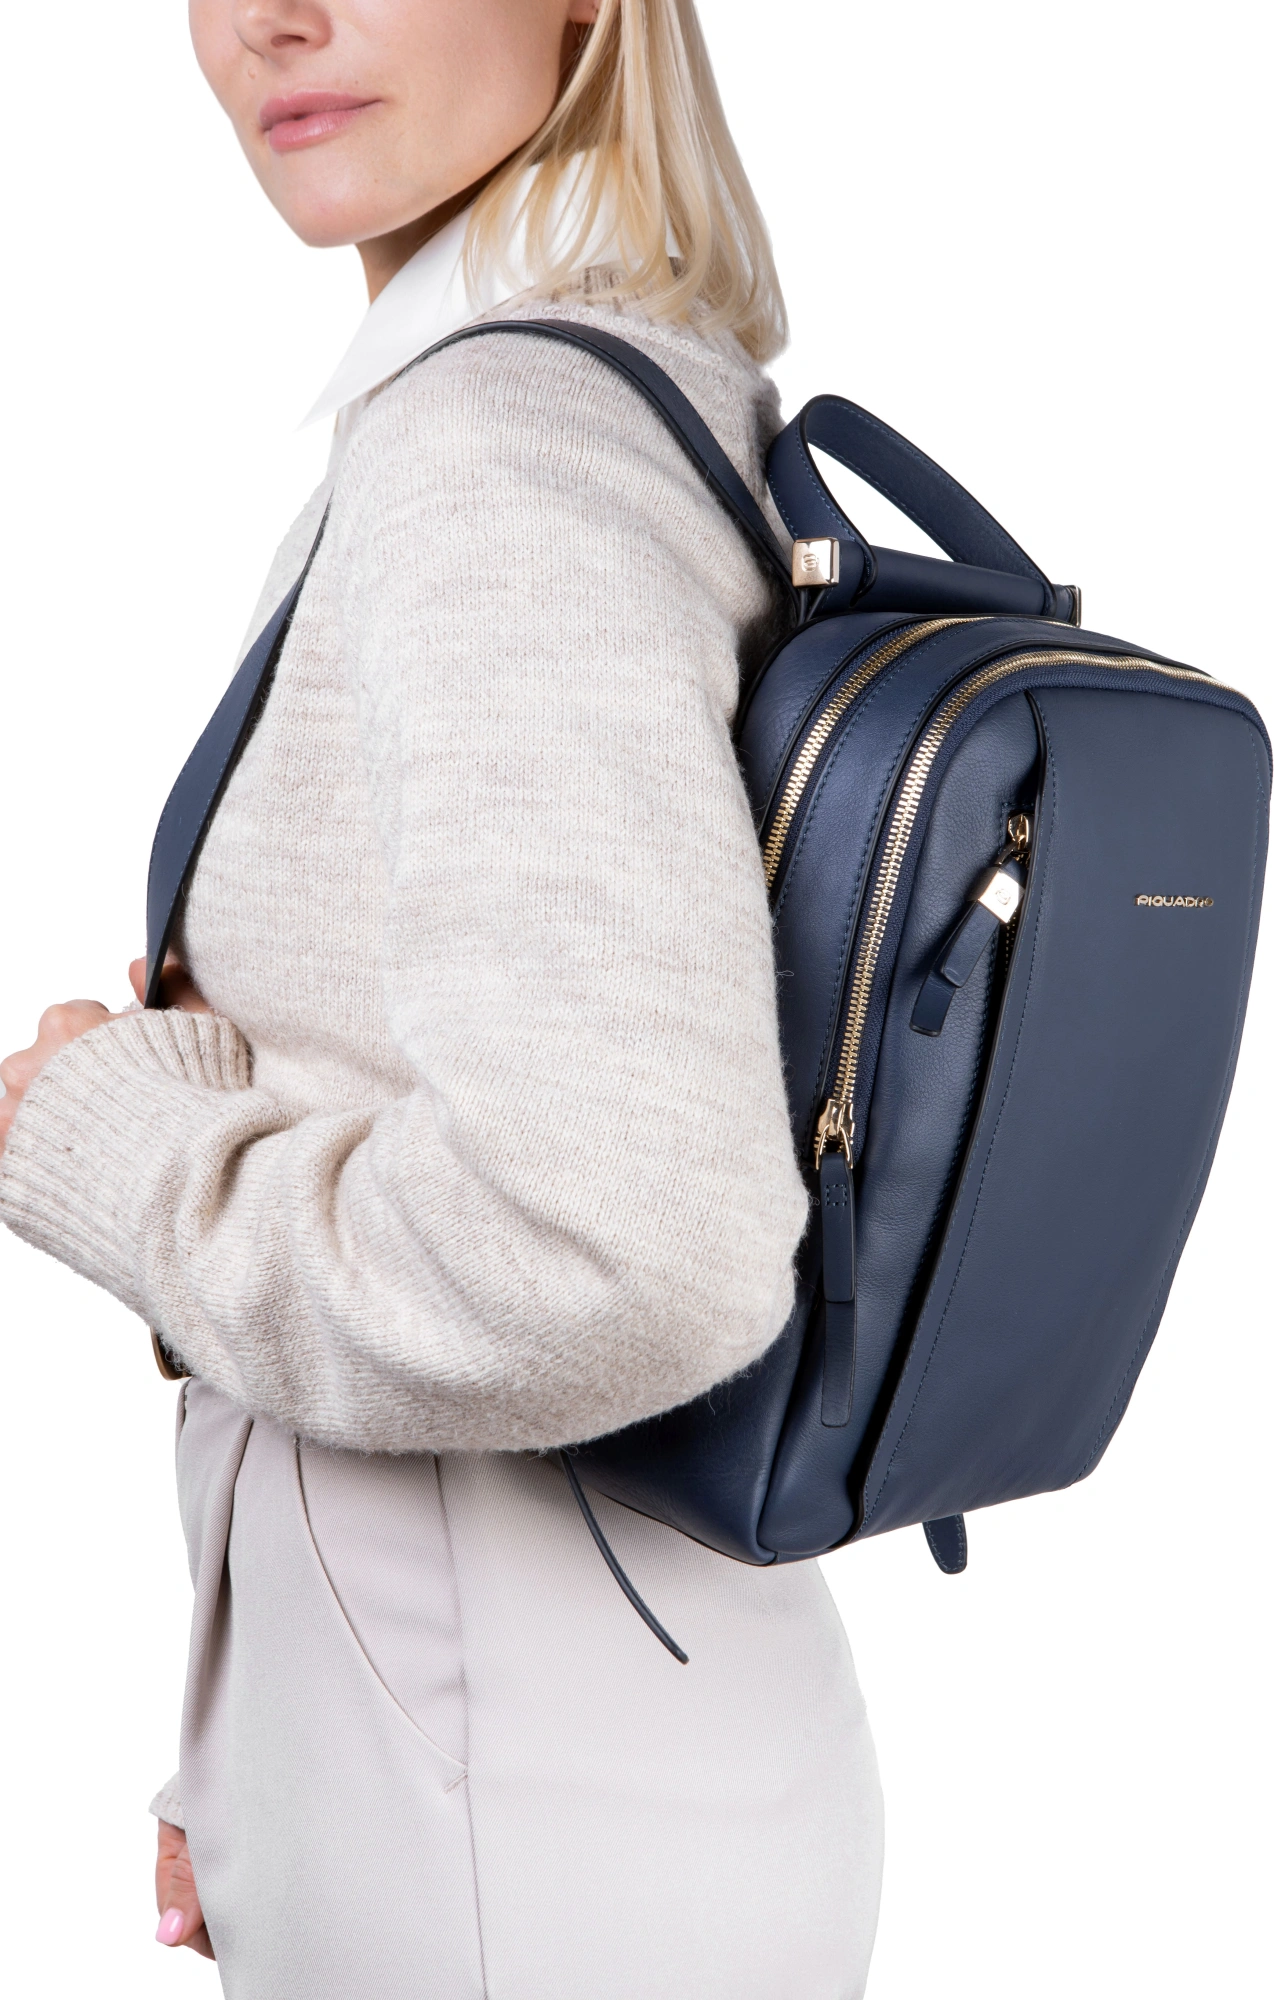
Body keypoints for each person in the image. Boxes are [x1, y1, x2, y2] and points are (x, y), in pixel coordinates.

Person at [0, 2, 884, 1993]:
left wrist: (102, 1142)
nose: (272, 18)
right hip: (539, 1744)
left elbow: (615, 1252)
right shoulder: (619, 386)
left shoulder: (498, 449)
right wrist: (274, 1722)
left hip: (520, 1805)